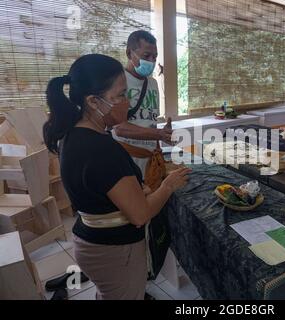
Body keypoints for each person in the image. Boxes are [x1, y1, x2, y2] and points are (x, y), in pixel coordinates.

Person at [43, 54, 191, 300]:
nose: (127, 102)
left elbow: (101, 187)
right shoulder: (100, 149)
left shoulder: (74, 135)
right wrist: (168, 185)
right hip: (114, 252)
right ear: (93, 101)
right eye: (121, 95)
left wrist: (137, 190)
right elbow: (141, 214)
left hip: (89, 241)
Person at [112, 30, 172, 190]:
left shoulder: (152, 83)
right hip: (127, 159)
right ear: (129, 53)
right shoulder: (117, 82)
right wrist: (157, 134)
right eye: (146, 56)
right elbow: (119, 128)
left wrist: (162, 134)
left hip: (150, 158)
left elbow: (149, 122)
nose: (152, 61)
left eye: (155, 56)